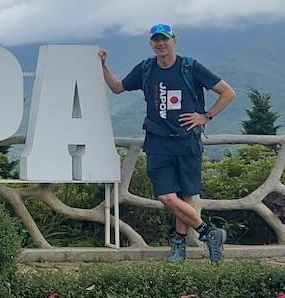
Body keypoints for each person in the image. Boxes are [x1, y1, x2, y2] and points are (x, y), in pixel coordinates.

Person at [98, 23, 236, 263]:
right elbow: (118, 87)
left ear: (175, 41)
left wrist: (206, 116)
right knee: (166, 196)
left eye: (165, 39)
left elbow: (227, 92)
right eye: (156, 40)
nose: (161, 44)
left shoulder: (190, 67)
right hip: (158, 143)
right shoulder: (146, 68)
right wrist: (103, 66)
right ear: (151, 43)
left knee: (184, 197)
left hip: (187, 141)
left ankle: (179, 246)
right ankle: (209, 233)